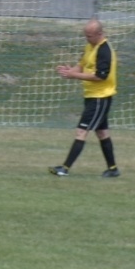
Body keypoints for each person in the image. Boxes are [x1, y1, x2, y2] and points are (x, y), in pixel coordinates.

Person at [49, 19, 119, 178]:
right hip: (91, 96)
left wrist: (74, 75)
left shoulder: (104, 51)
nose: (87, 39)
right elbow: (81, 66)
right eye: (86, 36)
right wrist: (69, 72)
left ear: (100, 34)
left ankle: (65, 168)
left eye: (90, 36)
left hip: (100, 98)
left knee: (81, 131)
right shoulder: (90, 47)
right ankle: (113, 169)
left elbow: (101, 76)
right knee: (102, 133)